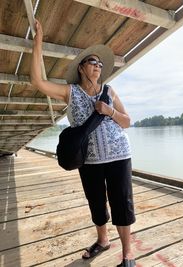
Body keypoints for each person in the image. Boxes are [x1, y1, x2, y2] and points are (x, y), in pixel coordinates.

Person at [31, 19, 136, 267]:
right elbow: (38, 82)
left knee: (122, 201)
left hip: (119, 154)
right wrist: (38, 41)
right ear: (81, 68)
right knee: (96, 201)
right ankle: (103, 240)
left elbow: (128, 121)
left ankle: (128, 252)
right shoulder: (71, 91)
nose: (98, 66)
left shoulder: (109, 91)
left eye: (100, 63)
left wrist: (109, 111)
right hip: (88, 159)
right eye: (93, 62)